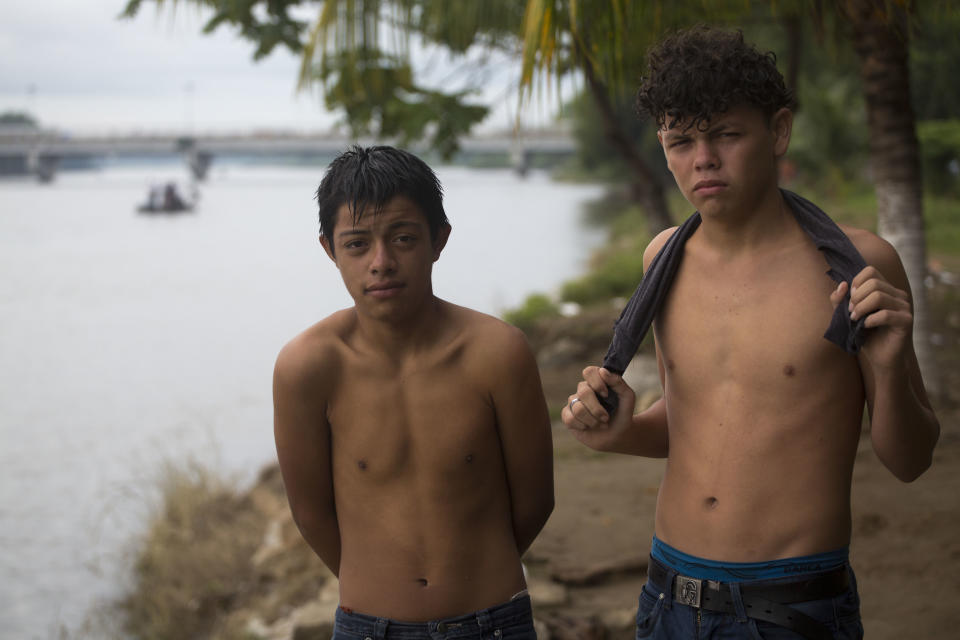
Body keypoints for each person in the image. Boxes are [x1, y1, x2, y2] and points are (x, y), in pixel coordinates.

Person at [562, 26, 939, 640]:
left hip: (792, 605)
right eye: (679, 141)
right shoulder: (664, 257)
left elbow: (912, 460)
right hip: (668, 592)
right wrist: (618, 432)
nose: (702, 159)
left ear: (779, 131)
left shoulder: (854, 265)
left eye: (726, 135)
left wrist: (892, 366)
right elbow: (690, 423)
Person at [273, 145, 554, 640]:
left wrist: (469, 578)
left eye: (403, 238)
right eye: (357, 244)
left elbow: (535, 500)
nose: (381, 262)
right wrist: (380, 585)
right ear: (329, 249)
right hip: (368, 627)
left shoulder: (497, 353)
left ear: (438, 239)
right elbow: (311, 512)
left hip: (493, 623)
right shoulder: (309, 367)